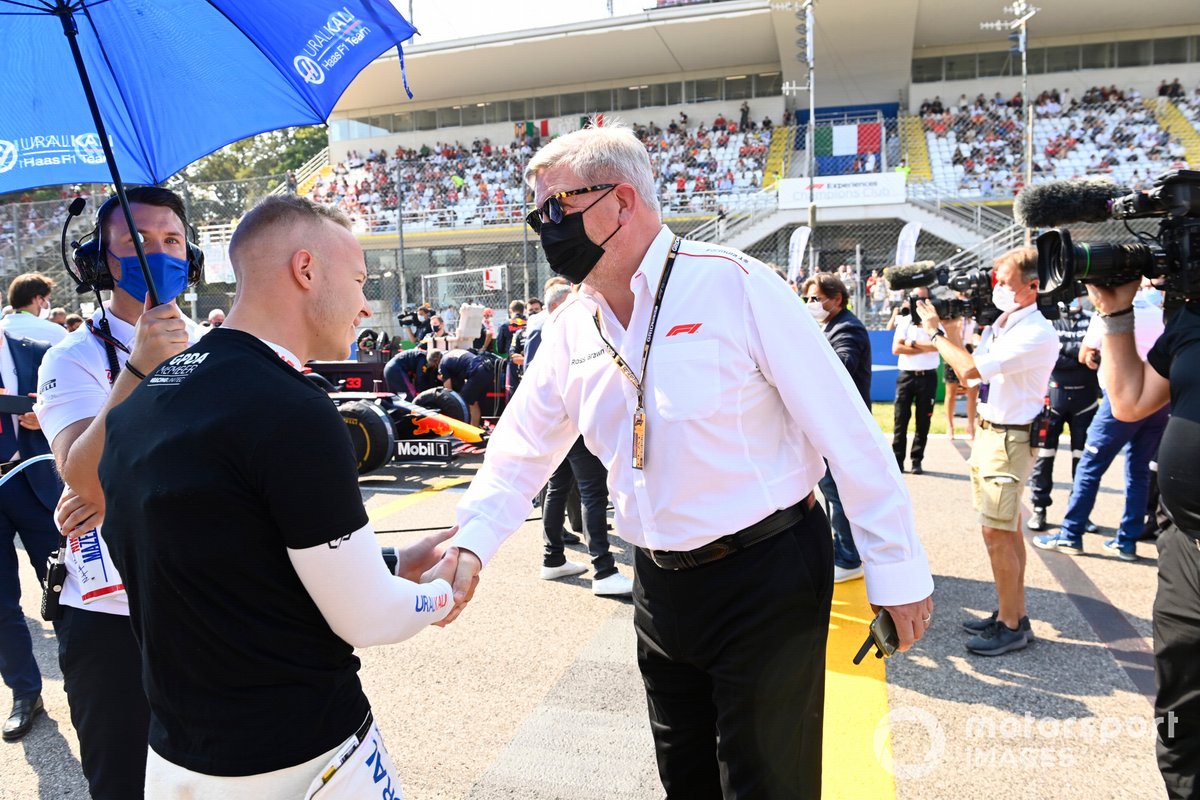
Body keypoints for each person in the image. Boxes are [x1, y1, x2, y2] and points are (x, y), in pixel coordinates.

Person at [437, 121, 933, 798]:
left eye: (558, 208)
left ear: (621, 202)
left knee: (767, 784)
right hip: (661, 585)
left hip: (767, 569)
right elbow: (518, 451)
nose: (544, 227)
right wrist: (470, 544)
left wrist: (896, 572)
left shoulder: (734, 285)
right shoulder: (570, 328)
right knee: (686, 779)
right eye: (537, 214)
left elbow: (850, 433)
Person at [98, 196, 459, 798]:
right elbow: (368, 616)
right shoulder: (292, 407)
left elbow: (233, 561)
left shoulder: (145, 396)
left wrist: (391, 562)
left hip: (176, 756)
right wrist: (444, 591)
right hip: (302, 757)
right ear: (306, 270)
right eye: (360, 279)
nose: (366, 303)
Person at [35, 186, 204, 799]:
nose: (157, 252)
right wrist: (139, 368)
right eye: (137, 241)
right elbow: (82, 479)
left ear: (192, 258)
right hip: (110, 622)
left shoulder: (220, 351)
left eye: (172, 241)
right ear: (98, 261)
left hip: (207, 605)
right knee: (124, 785)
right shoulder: (69, 357)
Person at [1083, 279, 1198, 799]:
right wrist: (1115, 312)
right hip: (1185, 543)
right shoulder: (1189, 319)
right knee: (1179, 703)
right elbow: (1129, 401)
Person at [917, 246, 1059, 656]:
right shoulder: (1005, 323)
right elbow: (968, 370)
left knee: (997, 532)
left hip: (1011, 438)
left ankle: (1011, 625)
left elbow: (969, 372)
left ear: (1033, 286)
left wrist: (934, 331)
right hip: (994, 432)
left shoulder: (1035, 331)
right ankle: (1009, 613)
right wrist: (952, 330)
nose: (995, 287)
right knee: (1004, 528)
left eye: (1003, 281)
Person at [1032, 289, 1167, 560]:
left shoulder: (1107, 310)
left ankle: (1071, 534)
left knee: (1089, 468)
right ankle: (1126, 541)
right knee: (1139, 472)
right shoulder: (1161, 314)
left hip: (1119, 400)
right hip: (1157, 402)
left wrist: (1095, 355)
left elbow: (1086, 354)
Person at [532, 283, 632, 596]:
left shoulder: (546, 331)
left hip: (559, 421)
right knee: (592, 494)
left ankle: (553, 559)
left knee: (559, 488)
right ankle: (603, 571)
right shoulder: (566, 331)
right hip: (574, 421)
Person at [0, 329, 61, 742]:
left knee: (62, 589)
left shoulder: (39, 353)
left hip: (34, 482)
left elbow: (74, 409)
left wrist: (46, 415)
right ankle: (25, 693)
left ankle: (84, 679)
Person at [802, 273, 872, 584]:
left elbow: (842, 365)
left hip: (844, 426)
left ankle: (849, 556)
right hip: (834, 423)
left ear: (837, 298)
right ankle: (843, 548)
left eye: (816, 298)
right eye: (807, 298)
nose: (810, 304)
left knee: (838, 490)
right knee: (832, 489)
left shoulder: (847, 328)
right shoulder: (830, 326)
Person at [1025, 298, 1100, 532]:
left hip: (1086, 401)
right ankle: (1039, 508)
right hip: (1053, 400)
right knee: (1044, 457)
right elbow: (1051, 356)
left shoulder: (1092, 319)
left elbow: (1099, 356)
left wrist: (1070, 353)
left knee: (1084, 460)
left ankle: (1080, 513)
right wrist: (1080, 354)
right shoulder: (1048, 320)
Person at [892, 289, 939, 474]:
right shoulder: (905, 321)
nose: (920, 302)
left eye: (924, 298)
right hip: (907, 376)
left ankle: (917, 460)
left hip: (927, 376)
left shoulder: (935, 322)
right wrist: (925, 347)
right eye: (916, 298)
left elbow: (938, 345)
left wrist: (910, 343)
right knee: (900, 420)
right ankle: (897, 461)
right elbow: (896, 348)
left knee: (923, 421)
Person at [3, 272, 68, 345]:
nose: (47, 304)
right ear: (39, 299)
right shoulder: (57, 332)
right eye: (47, 299)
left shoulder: (2, 328)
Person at [438, 348, 496, 427]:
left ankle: (465, 429)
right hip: (488, 369)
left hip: (477, 371)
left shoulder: (443, 362)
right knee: (473, 403)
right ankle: (475, 429)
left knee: (463, 402)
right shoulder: (455, 353)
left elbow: (448, 390)